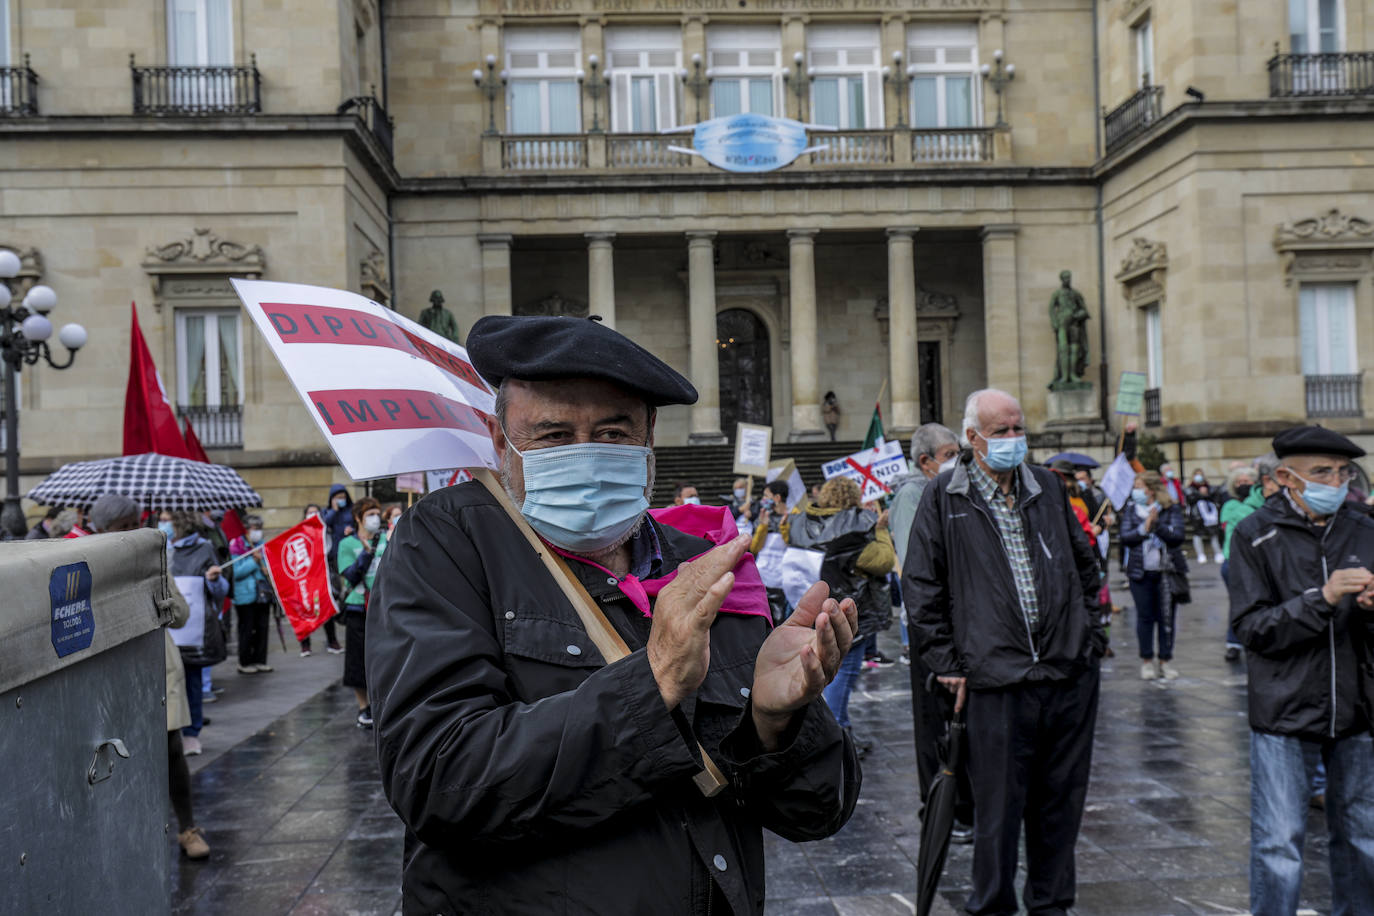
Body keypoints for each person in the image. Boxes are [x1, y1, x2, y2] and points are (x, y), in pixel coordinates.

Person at [367, 314, 860, 913]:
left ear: (649, 435)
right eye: (552, 435)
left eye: (612, 432)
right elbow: (439, 779)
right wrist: (651, 684)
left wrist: (775, 723)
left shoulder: (704, 565)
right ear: (501, 442)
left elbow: (818, 811)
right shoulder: (446, 541)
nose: (587, 456)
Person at [905, 388, 1105, 916]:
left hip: (1065, 674)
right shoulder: (945, 495)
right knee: (997, 811)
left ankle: (1052, 905)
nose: (1015, 440)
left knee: (1060, 807)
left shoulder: (1048, 486)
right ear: (973, 439)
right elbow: (921, 586)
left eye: (1019, 428)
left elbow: (1085, 566)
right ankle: (991, 906)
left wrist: (1091, 637)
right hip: (995, 680)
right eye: (1002, 432)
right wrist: (947, 664)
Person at [1228, 425, 1374, 916]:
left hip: (1357, 705)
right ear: (1287, 478)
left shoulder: (1365, 526)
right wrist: (1323, 598)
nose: (1335, 482)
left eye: (1342, 472)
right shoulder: (1254, 534)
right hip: (1284, 708)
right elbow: (1252, 628)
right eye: (1321, 472)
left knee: (1362, 836)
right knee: (1279, 843)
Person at [87, 495, 212, 860]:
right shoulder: (92, 562)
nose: (128, 533)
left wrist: (161, 602)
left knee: (172, 749)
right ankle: (130, 831)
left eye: (132, 525)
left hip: (157, 663)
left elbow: (182, 615)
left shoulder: (152, 561)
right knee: (120, 752)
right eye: (120, 528)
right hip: (114, 670)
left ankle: (187, 829)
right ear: (102, 530)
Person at [890, 423, 974, 839]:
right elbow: (914, 565)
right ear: (926, 461)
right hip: (930, 625)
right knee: (935, 724)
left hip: (955, 624)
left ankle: (961, 804)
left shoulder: (945, 489)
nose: (956, 460)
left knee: (956, 720)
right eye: (948, 454)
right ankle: (941, 809)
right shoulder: (912, 494)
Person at [786, 476, 894, 755]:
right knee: (843, 674)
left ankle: (826, 731)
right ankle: (835, 736)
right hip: (845, 609)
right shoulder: (856, 527)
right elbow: (883, 561)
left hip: (808, 605)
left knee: (815, 674)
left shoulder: (804, 521)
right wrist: (880, 528)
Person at [168, 510, 228, 758]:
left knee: (192, 681)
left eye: (167, 521)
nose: (164, 525)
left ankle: (191, 733)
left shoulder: (205, 549)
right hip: (169, 632)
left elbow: (221, 590)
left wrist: (214, 580)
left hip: (193, 630)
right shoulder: (163, 551)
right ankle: (171, 732)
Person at [1119, 471, 1188, 680]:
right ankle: (1147, 660)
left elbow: (1177, 537)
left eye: (1139, 486)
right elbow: (1125, 537)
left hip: (1167, 572)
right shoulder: (1132, 511)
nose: (1135, 491)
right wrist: (1144, 528)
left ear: (1150, 489)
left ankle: (1165, 660)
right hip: (1140, 572)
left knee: (1166, 618)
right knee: (1145, 617)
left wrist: (1157, 525)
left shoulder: (1170, 508)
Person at [338, 497, 387, 728]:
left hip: (384, 606)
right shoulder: (347, 544)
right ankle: (363, 706)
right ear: (358, 517)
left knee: (385, 657)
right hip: (358, 607)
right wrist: (365, 555)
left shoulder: (386, 539)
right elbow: (349, 575)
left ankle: (383, 703)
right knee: (358, 659)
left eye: (377, 513)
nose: (375, 518)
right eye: (370, 514)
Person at [1219, 463, 1263, 662]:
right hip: (1234, 560)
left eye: (1247, 481)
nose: (1244, 484)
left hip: (1257, 560)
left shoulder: (1260, 504)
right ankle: (1234, 642)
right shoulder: (1231, 506)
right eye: (1239, 481)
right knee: (1238, 603)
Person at [228, 515, 274, 676]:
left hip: (262, 593)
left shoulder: (262, 545)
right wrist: (253, 562)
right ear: (246, 529)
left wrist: (267, 569)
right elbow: (236, 572)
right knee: (246, 628)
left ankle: (260, 660)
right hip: (244, 594)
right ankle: (245, 661)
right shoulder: (236, 546)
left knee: (262, 627)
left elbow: (269, 565)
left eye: (259, 528)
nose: (258, 532)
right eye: (255, 528)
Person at [298, 503, 343, 658]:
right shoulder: (299, 534)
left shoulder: (326, 532)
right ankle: (305, 644)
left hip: (322, 576)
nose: (313, 515)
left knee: (325, 609)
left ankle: (332, 641)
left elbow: (331, 552)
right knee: (306, 609)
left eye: (316, 512)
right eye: (310, 513)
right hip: (306, 578)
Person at [1186, 469, 1224, 564]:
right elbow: (1190, 498)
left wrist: (1206, 493)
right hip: (1197, 516)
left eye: (1200, 475)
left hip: (1210, 516)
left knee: (1214, 534)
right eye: (1196, 475)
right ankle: (1200, 554)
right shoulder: (1190, 488)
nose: (1199, 477)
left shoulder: (1209, 487)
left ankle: (1218, 553)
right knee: (1198, 534)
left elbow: (1215, 497)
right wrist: (1200, 494)